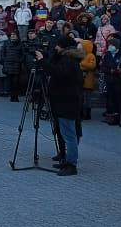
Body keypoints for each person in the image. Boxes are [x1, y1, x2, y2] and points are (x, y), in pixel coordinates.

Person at [36, 35, 85, 176]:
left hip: (67, 102)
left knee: (69, 135)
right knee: (67, 133)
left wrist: (42, 61)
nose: (55, 48)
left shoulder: (68, 61)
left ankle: (71, 165)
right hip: (64, 101)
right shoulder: (67, 59)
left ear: (63, 47)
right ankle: (67, 160)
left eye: (57, 45)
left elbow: (57, 72)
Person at [0, 30, 23, 102]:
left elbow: (23, 54)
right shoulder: (6, 43)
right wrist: (4, 60)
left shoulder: (20, 44)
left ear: (17, 36)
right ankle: (12, 96)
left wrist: (19, 60)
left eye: (14, 34)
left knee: (16, 82)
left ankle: (15, 96)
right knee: (9, 82)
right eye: (12, 34)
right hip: (8, 64)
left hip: (16, 65)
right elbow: (2, 52)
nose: (12, 36)